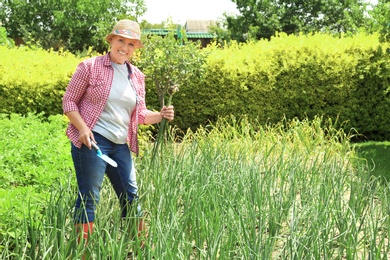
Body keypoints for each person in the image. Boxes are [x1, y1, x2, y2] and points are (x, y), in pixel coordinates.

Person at [62, 19, 174, 250]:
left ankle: (141, 249)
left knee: (131, 195)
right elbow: (69, 101)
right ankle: (83, 253)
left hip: (120, 144)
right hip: (94, 141)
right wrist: (83, 128)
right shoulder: (89, 67)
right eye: (121, 40)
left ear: (136, 49)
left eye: (131, 44)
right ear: (111, 40)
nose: (125, 47)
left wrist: (161, 115)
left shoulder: (137, 77)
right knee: (90, 196)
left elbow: (140, 114)